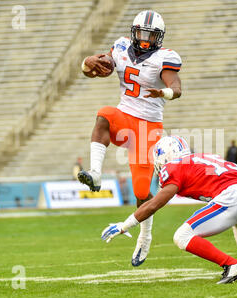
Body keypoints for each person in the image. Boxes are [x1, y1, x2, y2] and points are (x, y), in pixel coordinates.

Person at [101, 136, 237, 284]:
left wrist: (125, 224)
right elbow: (231, 175)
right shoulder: (204, 158)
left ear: (164, 155)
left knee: (182, 235)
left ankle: (231, 265)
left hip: (231, 198)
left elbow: (156, 202)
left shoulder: (174, 166)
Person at [77, 10, 183, 267]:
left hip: (148, 129)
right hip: (124, 117)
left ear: (159, 37)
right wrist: (87, 62)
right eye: (142, 33)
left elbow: (177, 88)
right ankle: (96, 173)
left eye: (151, 35)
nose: (145, 39)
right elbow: (93, 70)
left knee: (141, 192)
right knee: (104, 114)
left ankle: (145, 236)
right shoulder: (121, 46)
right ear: (134, 32)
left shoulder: (165, 57)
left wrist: (165, 92)